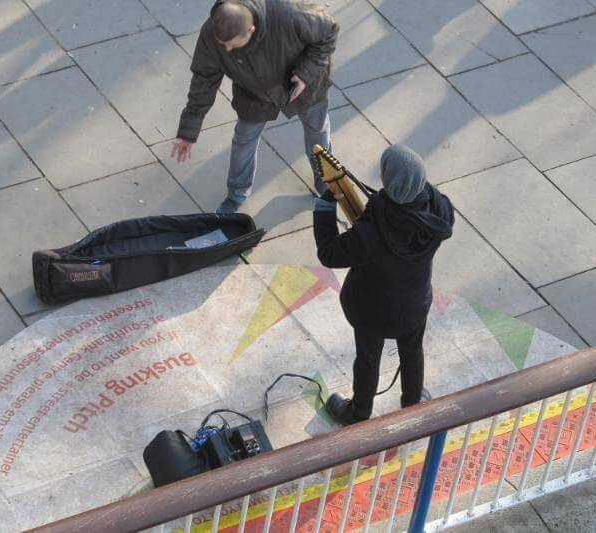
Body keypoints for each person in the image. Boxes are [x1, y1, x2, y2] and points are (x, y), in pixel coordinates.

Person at [313, 145, 455, 425]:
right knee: (412, 350)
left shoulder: (370, 232)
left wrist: (324, 205)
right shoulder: (440, 210)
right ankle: (413, 402)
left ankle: (358, 412)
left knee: (367, 358)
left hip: (371, 310)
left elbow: (329, 253)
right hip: (415, 304)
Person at [171, 0, 339, 213]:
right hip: (253, 90)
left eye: (233, 44)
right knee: (244, 139)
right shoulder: (212, 33)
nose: (227, 49)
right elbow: (204, 80)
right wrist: (188, 130)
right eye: (222, 44)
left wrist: (306, 73)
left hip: (303, 85)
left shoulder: (290, 13)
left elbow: (329, 31)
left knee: (317, 131)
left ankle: (326, 181)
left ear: (251, 29)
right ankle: (236, 194)